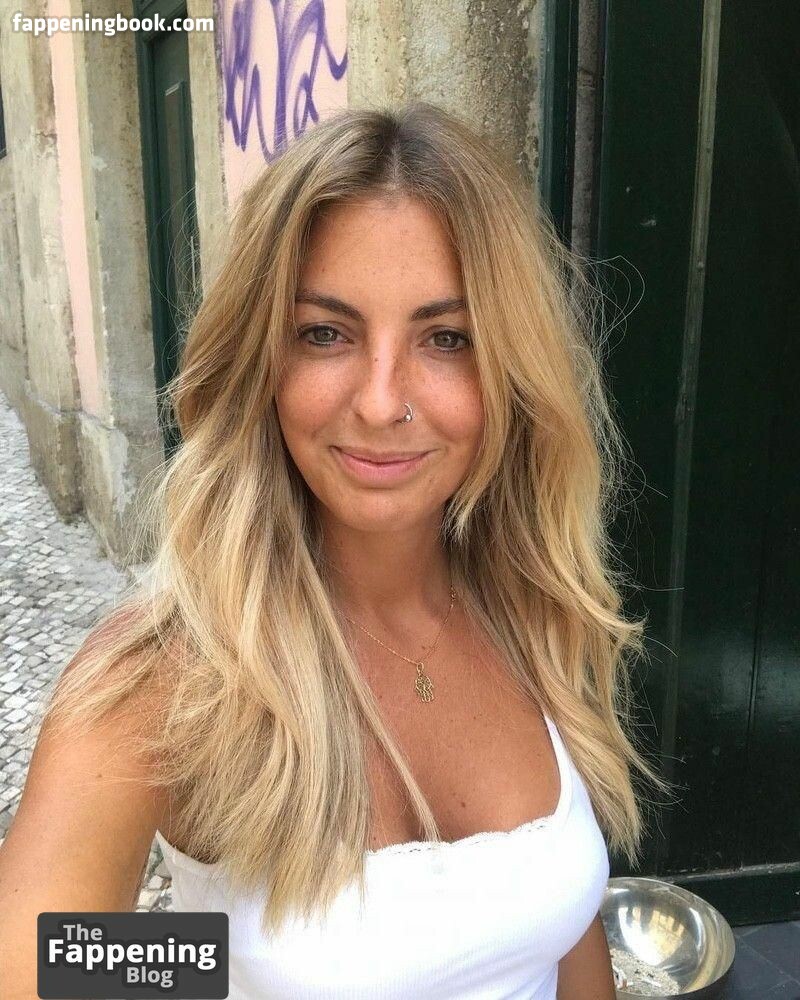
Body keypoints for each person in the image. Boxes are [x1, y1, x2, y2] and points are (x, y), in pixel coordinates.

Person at [0, 101, 672, 999]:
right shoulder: (165, 680)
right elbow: (46, 965)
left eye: (447, 339)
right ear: (260, 363)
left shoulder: (532, 611)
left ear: (510, 375)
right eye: (325, 333)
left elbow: (561, 932)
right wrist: (218, 968)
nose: (382, 402)